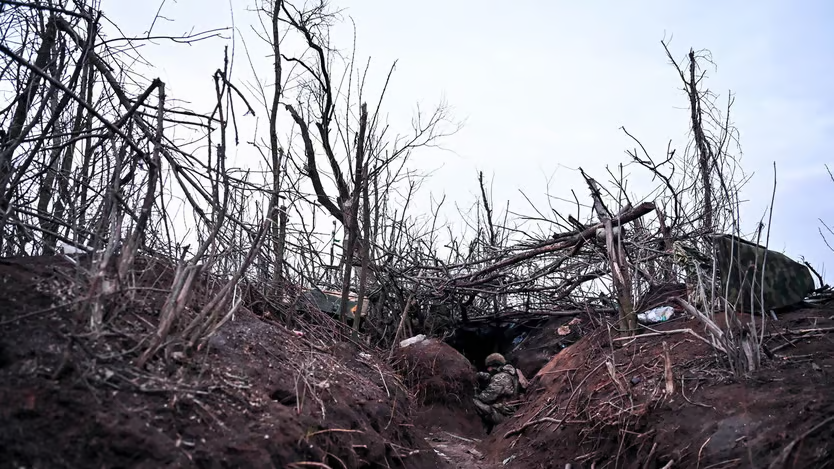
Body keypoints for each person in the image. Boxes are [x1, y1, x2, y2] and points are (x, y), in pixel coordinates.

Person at [473, 353, 519, 432]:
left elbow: (486, 398)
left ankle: (481, 431)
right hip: (510, 411)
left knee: (474, 401)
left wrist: (475, 391)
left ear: (495, 365)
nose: (488, 369)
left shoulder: (501, 377)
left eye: (489, 367)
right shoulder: (511, 374)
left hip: (504, 415)